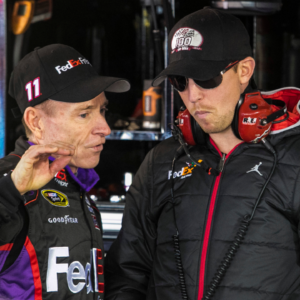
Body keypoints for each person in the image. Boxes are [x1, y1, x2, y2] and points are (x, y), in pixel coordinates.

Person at [104, 7, 300, 300]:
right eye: (181, 81)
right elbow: (128, 275)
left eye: (207, 78)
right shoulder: (160, 162)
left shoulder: (294, 159)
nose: (193, 95)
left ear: (244, 70)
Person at [0, 44, 130, 300]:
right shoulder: (11, 185)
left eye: (102, 110)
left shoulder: (75, 185)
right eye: (84, 114)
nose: (105, 128)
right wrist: (9, 192)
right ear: (35, 122)